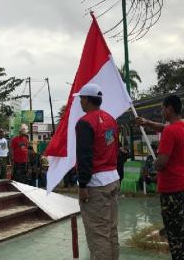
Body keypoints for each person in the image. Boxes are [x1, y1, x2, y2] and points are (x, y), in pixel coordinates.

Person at [136, 95, 184, 260]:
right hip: (182, 184)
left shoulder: (171, 131)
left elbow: (161, 162)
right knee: (182, 228)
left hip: (171, 188)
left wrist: (152, 166)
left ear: (169, 108)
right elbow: (165, 128)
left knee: (174, 233)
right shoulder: (183, 127)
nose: (161, 111)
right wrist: (147, 123)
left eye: (162, 108)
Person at [74, 83, 120, 260]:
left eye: (81, 98)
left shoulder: (85, 122)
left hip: (95, 184)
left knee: (98, 234)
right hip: (112, 178)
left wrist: (82, 184)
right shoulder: (110, 119)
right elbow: (115, 147)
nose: (80, 102)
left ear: (86, 99)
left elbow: (84, 155)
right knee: (110, 229)